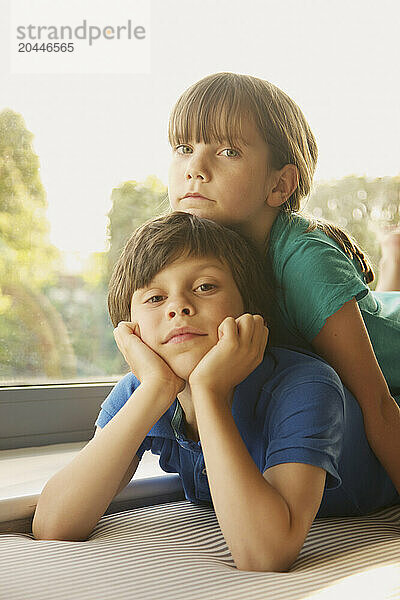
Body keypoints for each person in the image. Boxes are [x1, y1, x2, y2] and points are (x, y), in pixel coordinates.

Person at [32, 212, 400, 574]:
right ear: (130, 329)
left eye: (205, 287)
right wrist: (156, 390)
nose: (179, 307)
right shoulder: (144, 390)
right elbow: (53, 526)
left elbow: (264, 555)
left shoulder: (305, 385)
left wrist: (209, 393)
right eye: (155, 298)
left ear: (250, 309)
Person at [166, 71, 400, 495]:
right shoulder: (195, 256)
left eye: (228, 151)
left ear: (279, 184)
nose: (195, 169)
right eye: (184, 148)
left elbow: (379, 405)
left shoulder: (306, 263)